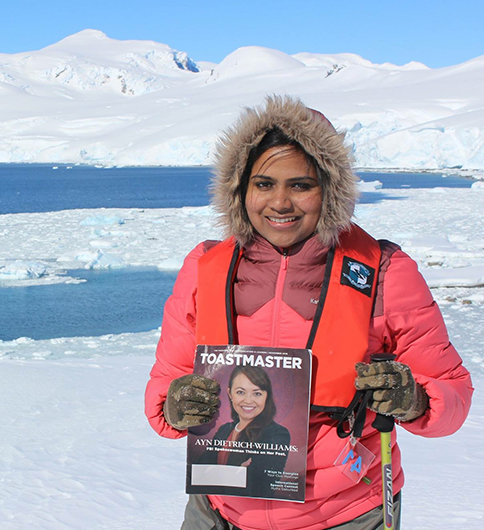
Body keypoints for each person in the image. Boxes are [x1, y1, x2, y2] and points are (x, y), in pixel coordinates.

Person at [144, 95, 474, 530]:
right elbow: (164, 393)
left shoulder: (384, 273)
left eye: (301, 185)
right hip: (219, 510)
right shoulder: (205, 270)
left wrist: (412, 400)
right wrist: (176, 407)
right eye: (264, 184)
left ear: (330, 190)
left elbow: (452, 394)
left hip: (345, 513)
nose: (280, 202)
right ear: (240, 190)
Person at [195, 366, 291, 498]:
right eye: (240, 392)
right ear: (230, 394)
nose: (248, 400)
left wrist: (215, 473)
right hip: (215, 505)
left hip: (252, 512)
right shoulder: (225, 429)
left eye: (257, 393)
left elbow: (260, 487)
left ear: (266, 396)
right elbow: (198, 475)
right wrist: (238, 473)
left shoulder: (277, 434)